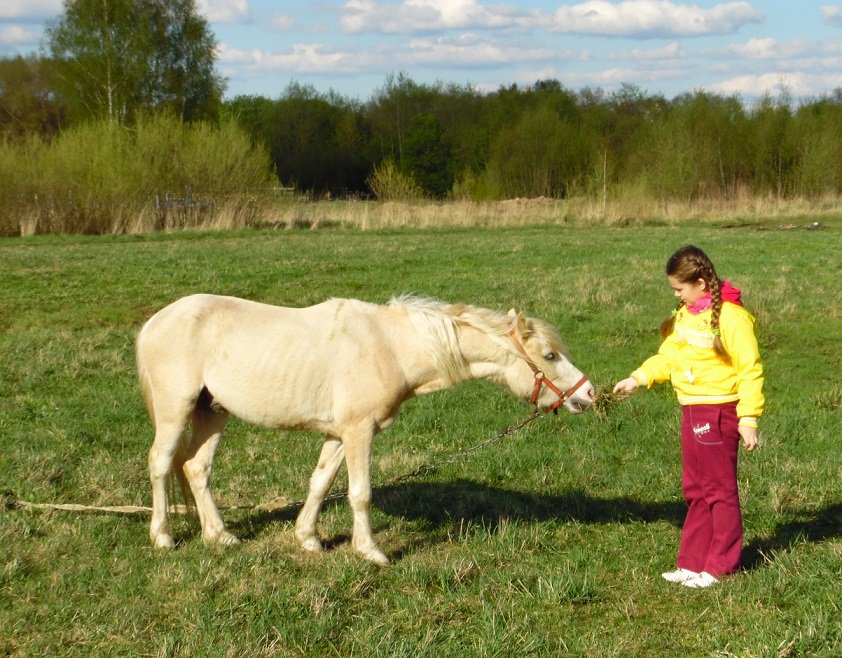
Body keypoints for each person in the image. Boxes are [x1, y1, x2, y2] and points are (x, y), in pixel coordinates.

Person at [613, 245, 764, 588]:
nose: (676, 295)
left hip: (719, 411)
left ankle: (721, 566)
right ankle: (692, 563)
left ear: (699, 282)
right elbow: (669, 357)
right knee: (695, 489)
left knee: (719, 490)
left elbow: (750, 369)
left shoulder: (732, 318)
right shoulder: (686, 314)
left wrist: (749, 418)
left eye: (679, 289)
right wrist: (639, 377)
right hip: (692, 408)